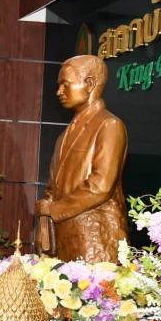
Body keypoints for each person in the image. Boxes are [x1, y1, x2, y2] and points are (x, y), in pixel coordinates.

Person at [36, 54, 128, 263]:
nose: (59, 91)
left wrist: (53, 209)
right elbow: (52, 187)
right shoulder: (64, 135)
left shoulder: (109, 125)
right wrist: (45, 210)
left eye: (65, 84)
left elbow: (100, 186)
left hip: (95, 240)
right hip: (62, 241)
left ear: (89, 84)